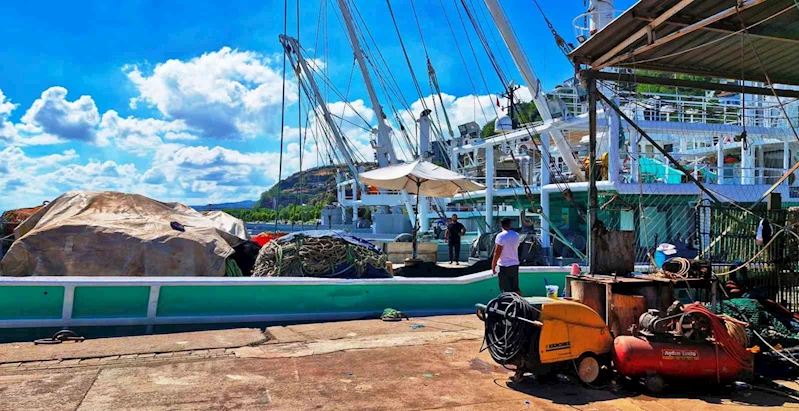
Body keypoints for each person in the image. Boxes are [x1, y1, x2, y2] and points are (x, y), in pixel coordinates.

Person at [492, 218, 521, 294]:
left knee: (505, 290)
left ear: (501, 225)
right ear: (510, 224)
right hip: (514, 265)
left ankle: (508, 304)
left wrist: (493, 265)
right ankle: (521, 303)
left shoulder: (500, 236)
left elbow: (497, 252)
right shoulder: (516, 235)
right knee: (516, 288)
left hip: (504, 265)